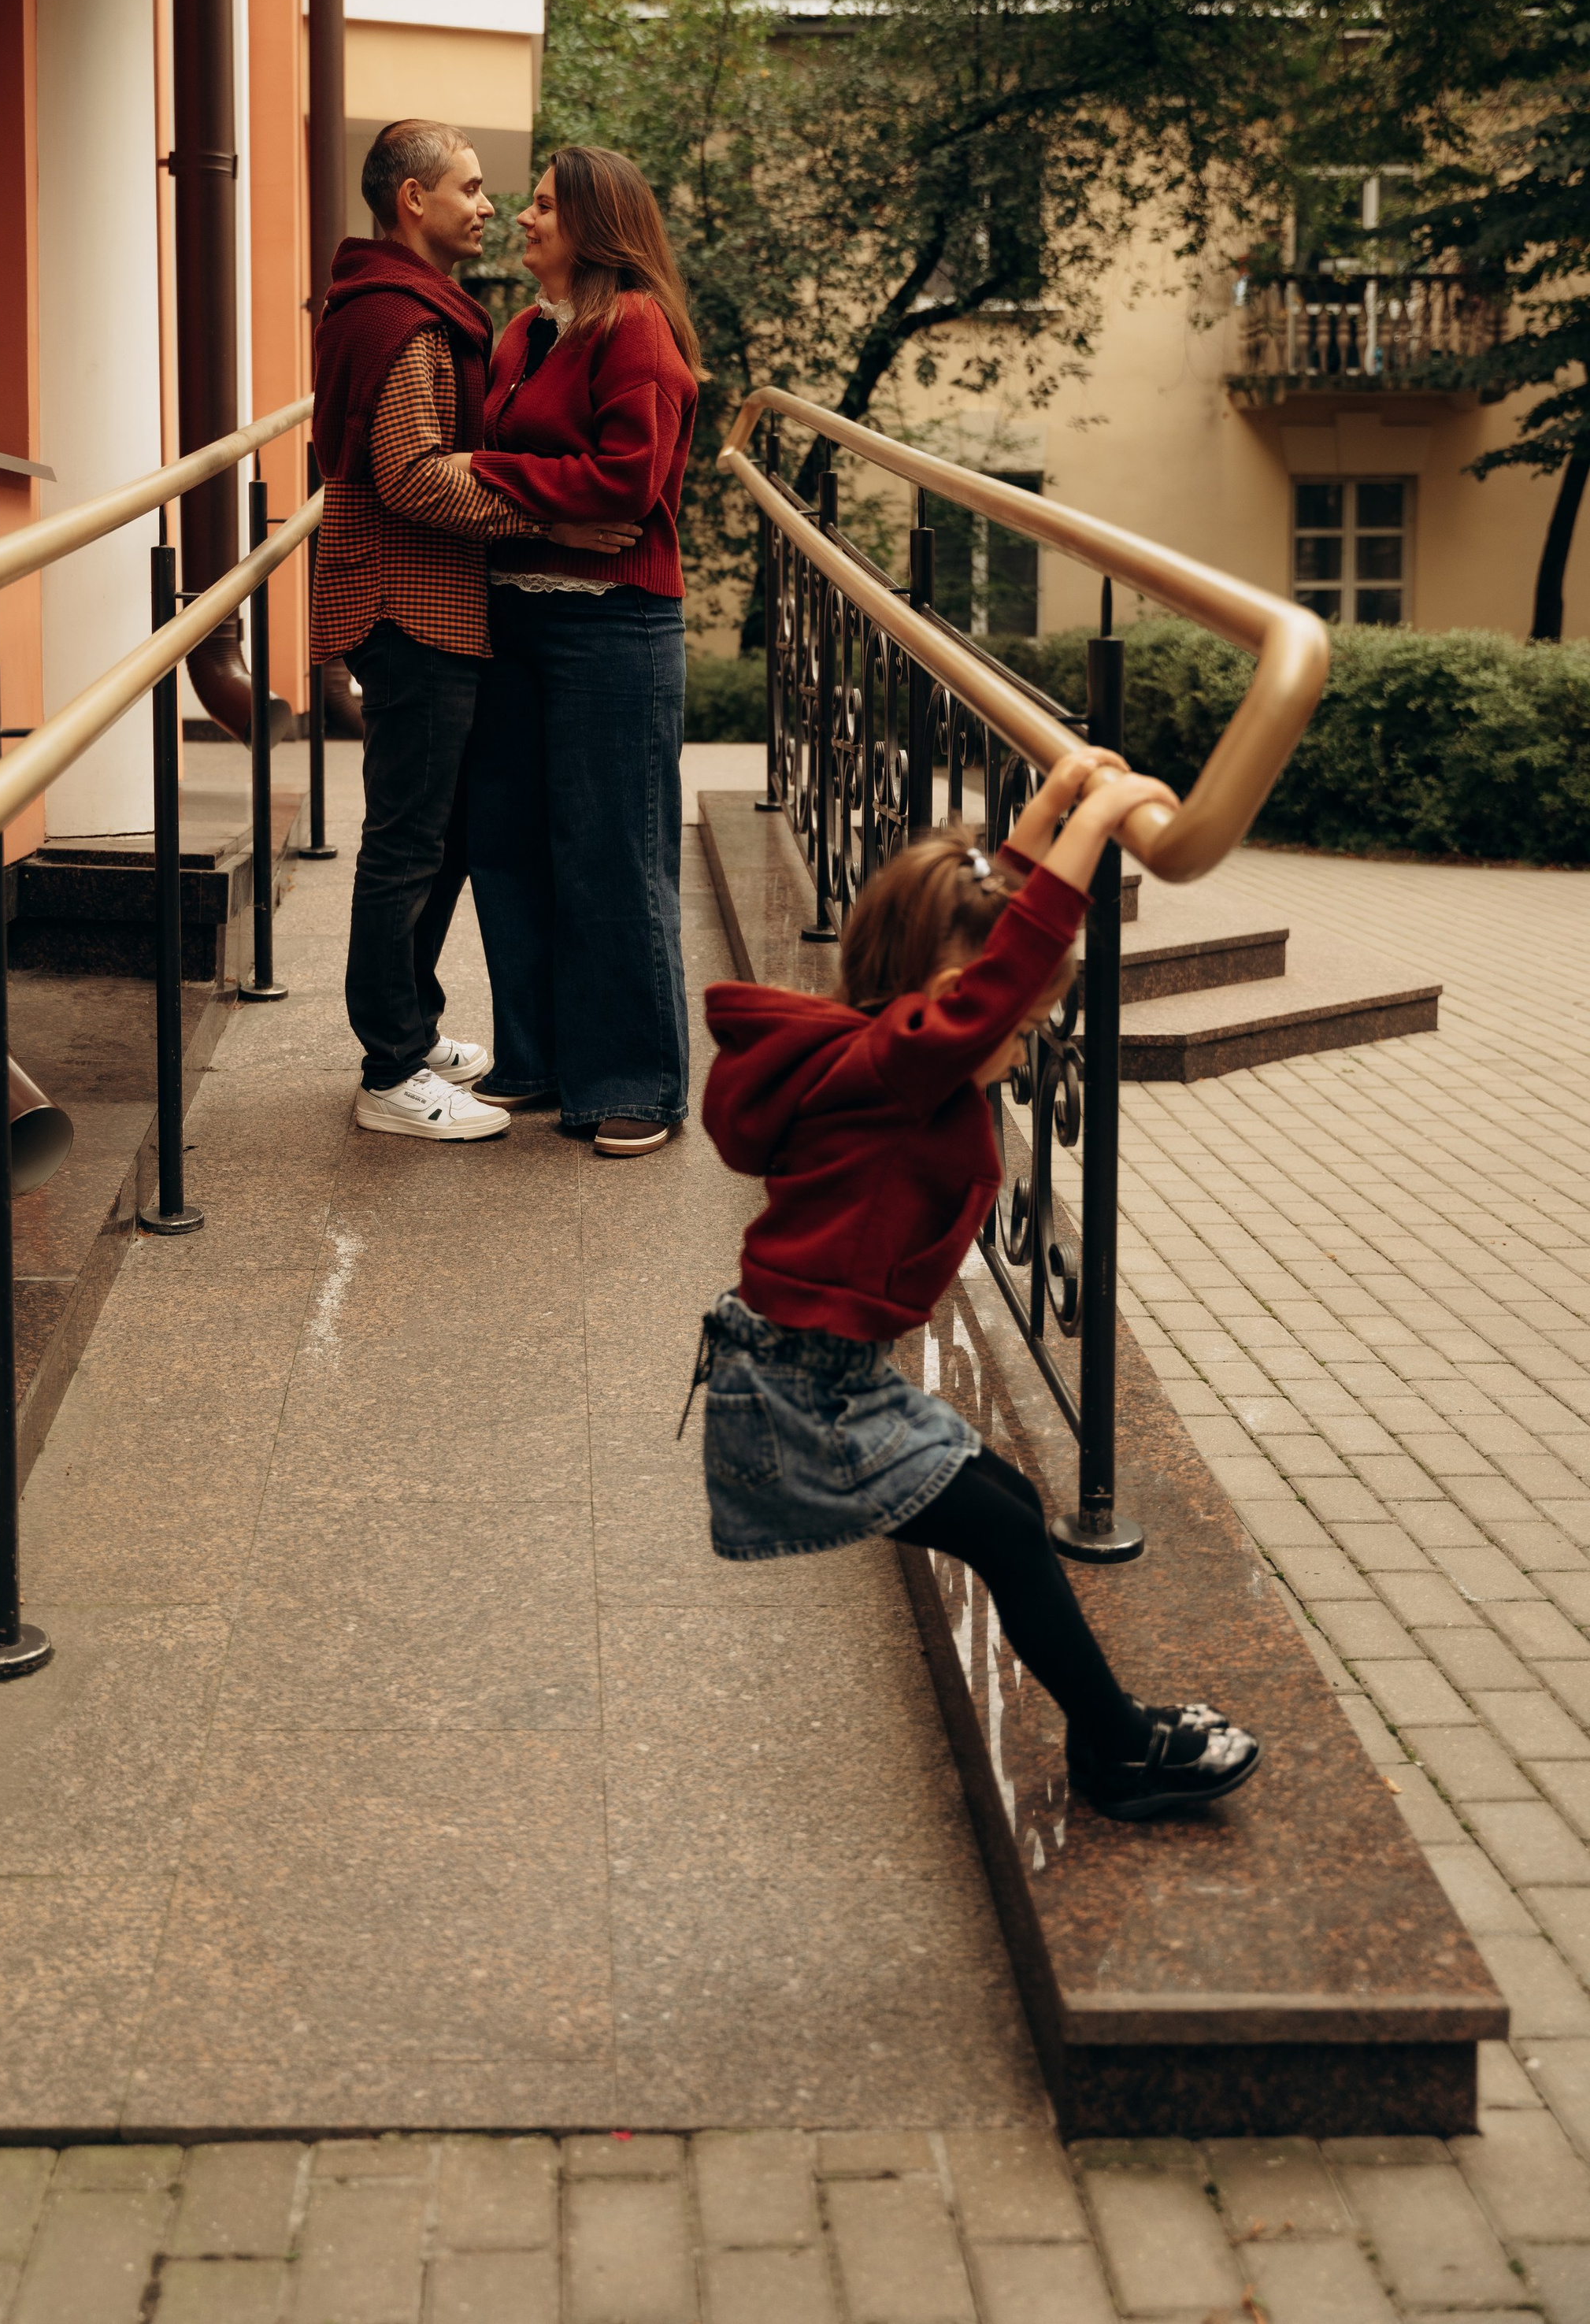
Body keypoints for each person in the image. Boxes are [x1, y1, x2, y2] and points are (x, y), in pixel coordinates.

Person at [695, 756, 1263, 1822]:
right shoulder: (898, 1066)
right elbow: (1000, 970)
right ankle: (1123, 1748)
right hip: (802, 1397)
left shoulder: (887, 1046)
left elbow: (986, 935)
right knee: (1006, 1531)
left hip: (817, 1375)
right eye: (1020, 1023)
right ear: (956, 1007)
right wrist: (1094, 825)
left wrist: (1049, 812)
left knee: (1006, 1503)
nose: (1023, 1036)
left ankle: (1114, 1735)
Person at [309, 120, 638, 1141]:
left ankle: (411, 1027)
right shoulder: (402, 321)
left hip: (434, 602)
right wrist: (549, 515)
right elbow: (410, 475)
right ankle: (390, 1069)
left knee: (440, 837)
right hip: (408, 606)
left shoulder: (413, 306)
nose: (490, 205)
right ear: (414, 201)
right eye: (470, 187)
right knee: (407, 842)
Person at [455, 147, 702, 1157]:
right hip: (512, 618)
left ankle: (633, 1082)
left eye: (545, 206)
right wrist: (499, 476)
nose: (521, 217)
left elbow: (626, 484)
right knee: (507, 848)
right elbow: (535, 478)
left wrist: (490, 475)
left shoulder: (634, 324)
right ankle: (540, 1061)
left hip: (613, 625)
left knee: (612, 857)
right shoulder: (523, 333)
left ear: (596, 225)